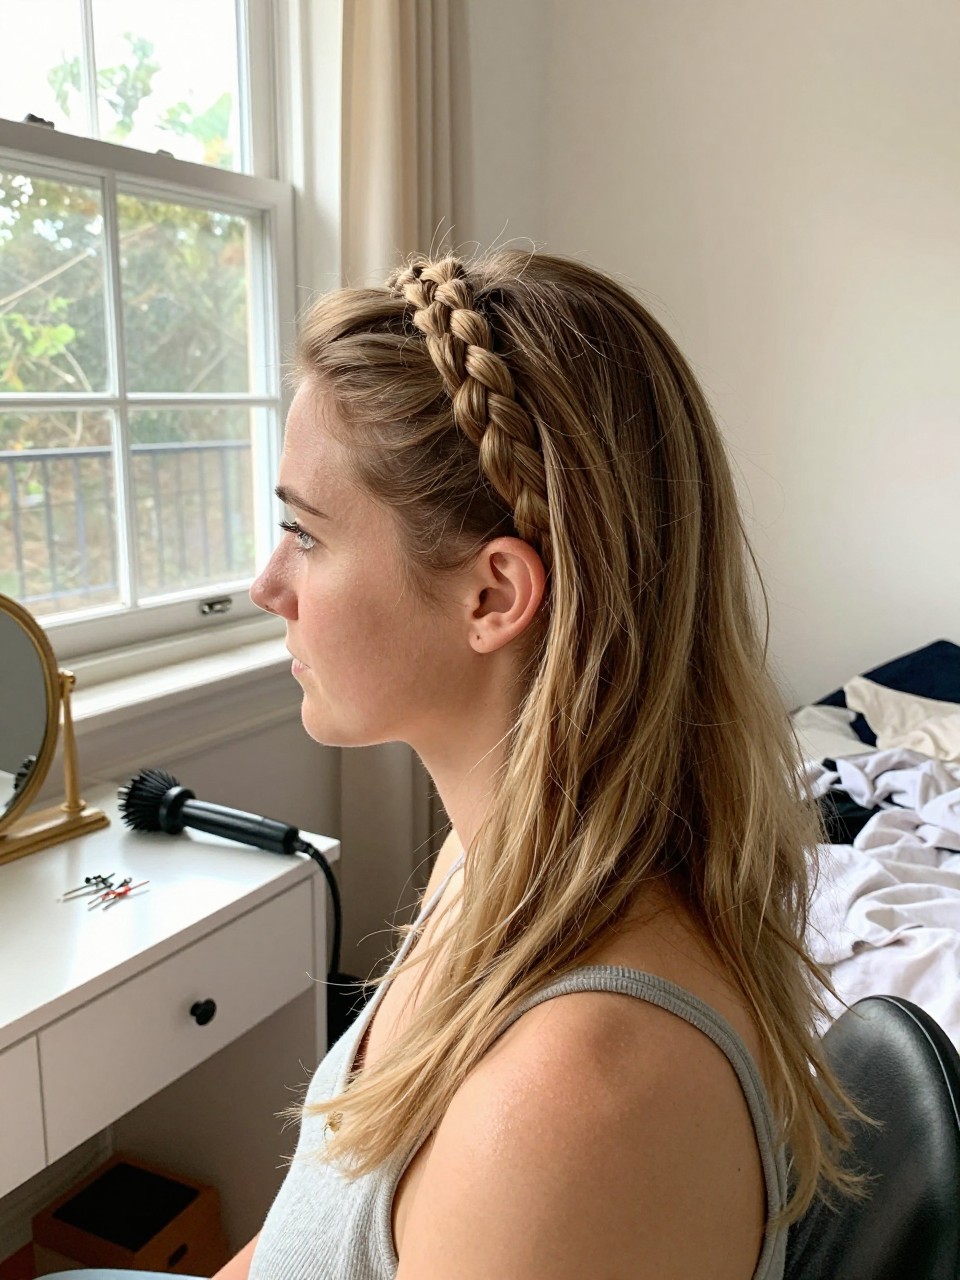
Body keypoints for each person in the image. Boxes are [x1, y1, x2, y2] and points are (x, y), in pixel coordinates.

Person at [224, 249, 861, 1278]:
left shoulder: (575, 1102)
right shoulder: (486, 868)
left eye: (304, 531)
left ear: (493, 596)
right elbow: (315, 1219)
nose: (267, 582)